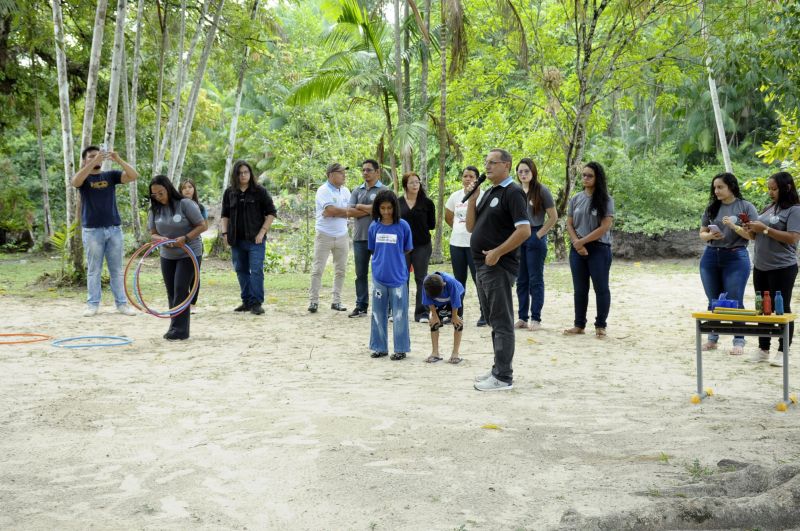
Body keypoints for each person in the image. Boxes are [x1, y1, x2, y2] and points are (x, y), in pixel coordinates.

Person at [467, 148, 531, 391]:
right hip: (481, 265)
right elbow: (472, 227)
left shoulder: (512, 192)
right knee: (493, 319)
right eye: (486, 162)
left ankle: (504, 377)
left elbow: (524, 230)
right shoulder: (490, 192)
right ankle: (498, 368)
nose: (487, 167)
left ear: (506, 165)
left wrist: (497, 252)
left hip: (498, 266)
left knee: (503, 321)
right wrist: (473, 200)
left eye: (492, 162)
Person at [71, 144, 139, 317]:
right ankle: (92, 304)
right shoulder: (84, 178)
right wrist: (93, 161)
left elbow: (133, 175)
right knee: (94, 269)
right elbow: (75, 182)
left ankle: (122, 304)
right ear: (85, 160)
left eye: (98, 155)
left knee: (116, 270)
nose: (96, 158)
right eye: (91, 156)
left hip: (114, 229)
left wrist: (118, 159)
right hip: (92, 231)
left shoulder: (110, 175)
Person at [743, 171, 800, 366]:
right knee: (762, 308)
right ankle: (763, 349)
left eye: (774, 189)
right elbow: (757, 236)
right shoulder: (769, 208)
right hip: (761, 266)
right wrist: (750, 230)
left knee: (781, 308)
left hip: (783, 267)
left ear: (787, 187)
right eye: (769, 189)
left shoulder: (794, 210)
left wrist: (765, 229)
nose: (770, 192)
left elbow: (793, 238)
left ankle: (783, 351)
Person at [698, 172, 758, 355]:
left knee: (734, 300)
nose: (716, 191)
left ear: (731, 186)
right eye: (714, 187)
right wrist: (710, 235)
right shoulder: (711, 208)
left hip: (736, 257)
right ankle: (712, 338)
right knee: (714, 300)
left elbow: (752, 235)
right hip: (710, 257)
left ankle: (739, 340)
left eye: (720, 187)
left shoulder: (746, 207)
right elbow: (702, 234)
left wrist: (734, 227)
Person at [147, 176, 207, 340]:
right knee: (172, 291)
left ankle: (180, 331)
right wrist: (161, 240)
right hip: (167, 254)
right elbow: (152, 234)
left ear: (168, 189)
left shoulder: (185, 204)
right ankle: (175, 327)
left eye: (161, 193)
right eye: (155, 195)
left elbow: (203, 225)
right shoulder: (154, 209)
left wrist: (185, 238)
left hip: (189, 253)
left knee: (181, 288)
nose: (159, 197)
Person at [564, 161, 615, 338]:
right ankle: (579, 325)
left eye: (589, 175)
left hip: (599, 248)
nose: (585, 178)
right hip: (577, 249)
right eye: (583, 175)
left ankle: (601, 325)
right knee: (580, 289)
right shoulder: (576, 198)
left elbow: (605, 226)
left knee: (601, 288)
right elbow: (569, 223)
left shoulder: (606, 200)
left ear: (597, 178)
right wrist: (577, 243)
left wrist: (582, 242)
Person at [220, 160, 277, 315]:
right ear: (235, 175)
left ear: (250, 173)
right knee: (241, 270)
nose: (243, 175)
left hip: (256, 240)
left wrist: (262, 232)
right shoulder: (230, 192)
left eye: (246, 172)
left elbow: (271, 212)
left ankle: (257, 303)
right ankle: (247, 301)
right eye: (240, 173)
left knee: (256, 270)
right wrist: (225, 234)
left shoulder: (260, 191)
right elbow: (224, 215)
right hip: (236, 240)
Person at [368, 189, 413, 360]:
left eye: (389, 208)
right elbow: (373, 249)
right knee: (378, 313)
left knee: (400, 314)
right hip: (379, 277)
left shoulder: (403, 226)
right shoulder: (374, 226)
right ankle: (379, 347)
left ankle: (400, 349)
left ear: (395, 207)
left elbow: (407, 248)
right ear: (377, 209)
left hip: (398, 278)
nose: (386, 212)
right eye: (382, 208)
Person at [514, 158, 558, 331]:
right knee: (521, 279)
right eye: (520, 172)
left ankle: (536, 318)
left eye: (526, 171)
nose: (523, 174)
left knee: (535, 279)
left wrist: (538, 235)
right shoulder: (515, 191)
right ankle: (522, 317)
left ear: (533, 172)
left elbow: (553, 217)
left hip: (535, 234)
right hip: (518, 235)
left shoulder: (541, 190)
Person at [308, 163, 353, 313]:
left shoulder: (346, 191)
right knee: (317, 269)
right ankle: (313, 301)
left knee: (340, 270)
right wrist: (336, 211)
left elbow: (349, 211)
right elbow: (330, 210)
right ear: (331, 175)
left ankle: (336, 301)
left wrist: (335, 212)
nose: (343, 175)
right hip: (324, 235)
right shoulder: (323, 190)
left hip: (342, 235)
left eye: (343, 172)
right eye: (340, 173)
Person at [445, 166, 486, 326]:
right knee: (458, 281)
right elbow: (449, 217)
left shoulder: (483, 196)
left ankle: (485, 314)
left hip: (475, 245)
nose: (467, 179)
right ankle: (456, 313)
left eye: (471, 176)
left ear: (477, 179)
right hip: (456, 244)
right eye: (465, 176)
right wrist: (459, 229)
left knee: (479, 280)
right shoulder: (455, 196)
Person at [348, 159, 385, 318]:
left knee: (380, 273)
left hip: (380, 239)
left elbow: (384, 210)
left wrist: (360, 207)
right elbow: (349, 211)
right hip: (359, 238)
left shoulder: (384, 190)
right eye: (363, 170)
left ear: (377, 172)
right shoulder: (357, 190)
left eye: (369, 170)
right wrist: (372, 210)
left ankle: (383, 305)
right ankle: (361, 306)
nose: (365, 173)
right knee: (360, 274)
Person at [399, 172, 436, 322]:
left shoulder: (427, 203)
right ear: (405, 185)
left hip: (422, 245)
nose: (415, 185)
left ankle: (422, 313)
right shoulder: (398, 202)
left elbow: (431, 225)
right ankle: (399, 311)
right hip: (402, 247)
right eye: (411, 182)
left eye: (417, 182)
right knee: (402, 278)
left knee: (421, 278)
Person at [422, 272, 465, 364]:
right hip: (437, 303)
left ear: (444, 285)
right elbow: (428, 301)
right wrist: (434, 316)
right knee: (434, 323)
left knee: (458, 323)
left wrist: (454, 316)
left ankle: (455, 353)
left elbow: (456, 300)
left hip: (454, 299)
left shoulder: (450, 282)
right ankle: (435, 353)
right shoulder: (426, 284)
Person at [180, 178, 207, 310]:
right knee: (183, 276)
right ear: (180, 190)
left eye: (190, 187)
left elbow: (204, 226)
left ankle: (192, 303)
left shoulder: (200, 207)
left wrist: (189, 236)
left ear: (194, 189)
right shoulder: (177, 206)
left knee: (195, 275)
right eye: (184, 187)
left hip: (195, 245)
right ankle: (181, 302)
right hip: (179, 246)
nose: (187, 190)